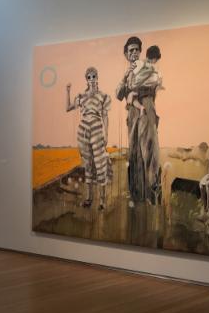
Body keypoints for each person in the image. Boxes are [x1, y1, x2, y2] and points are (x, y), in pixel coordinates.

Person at [116, 36, 162, 204]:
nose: (134, 52)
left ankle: (153, 194)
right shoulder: (127, 73)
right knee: (134, 153)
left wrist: (134, 93)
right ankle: (137, 195)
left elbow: (154, 85)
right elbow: (118, 94)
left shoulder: (146, 66)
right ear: (126, 54)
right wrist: (125, 78)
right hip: (132, 114)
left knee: (149, 150)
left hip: (146, 108)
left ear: (140, 51)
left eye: (136, 49)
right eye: (131, 50)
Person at [66, 67, 111, 209]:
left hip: (97, 130)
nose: (92, 79)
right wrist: (68, 91)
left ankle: (102, 201)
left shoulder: (103, 96)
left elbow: (105, 116)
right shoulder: (81, 96)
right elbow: (68, 108)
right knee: (88, 165)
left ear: (97, 77)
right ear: (86, 79)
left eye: (94, 76)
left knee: (100, 164)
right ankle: (89, 198)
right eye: (89, 77)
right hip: (83, 131)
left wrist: (106, 134)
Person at [127, 45, 162, 115]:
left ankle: (140, 107)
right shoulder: (153, 68)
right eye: (156, 60)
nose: (156, 61)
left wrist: (130, 85)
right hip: (145, 93)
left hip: (137, 89)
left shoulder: (138, 63)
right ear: (154, 58)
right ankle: (140, 107)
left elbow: (131, 74)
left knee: (134, 100)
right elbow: (157, 81)